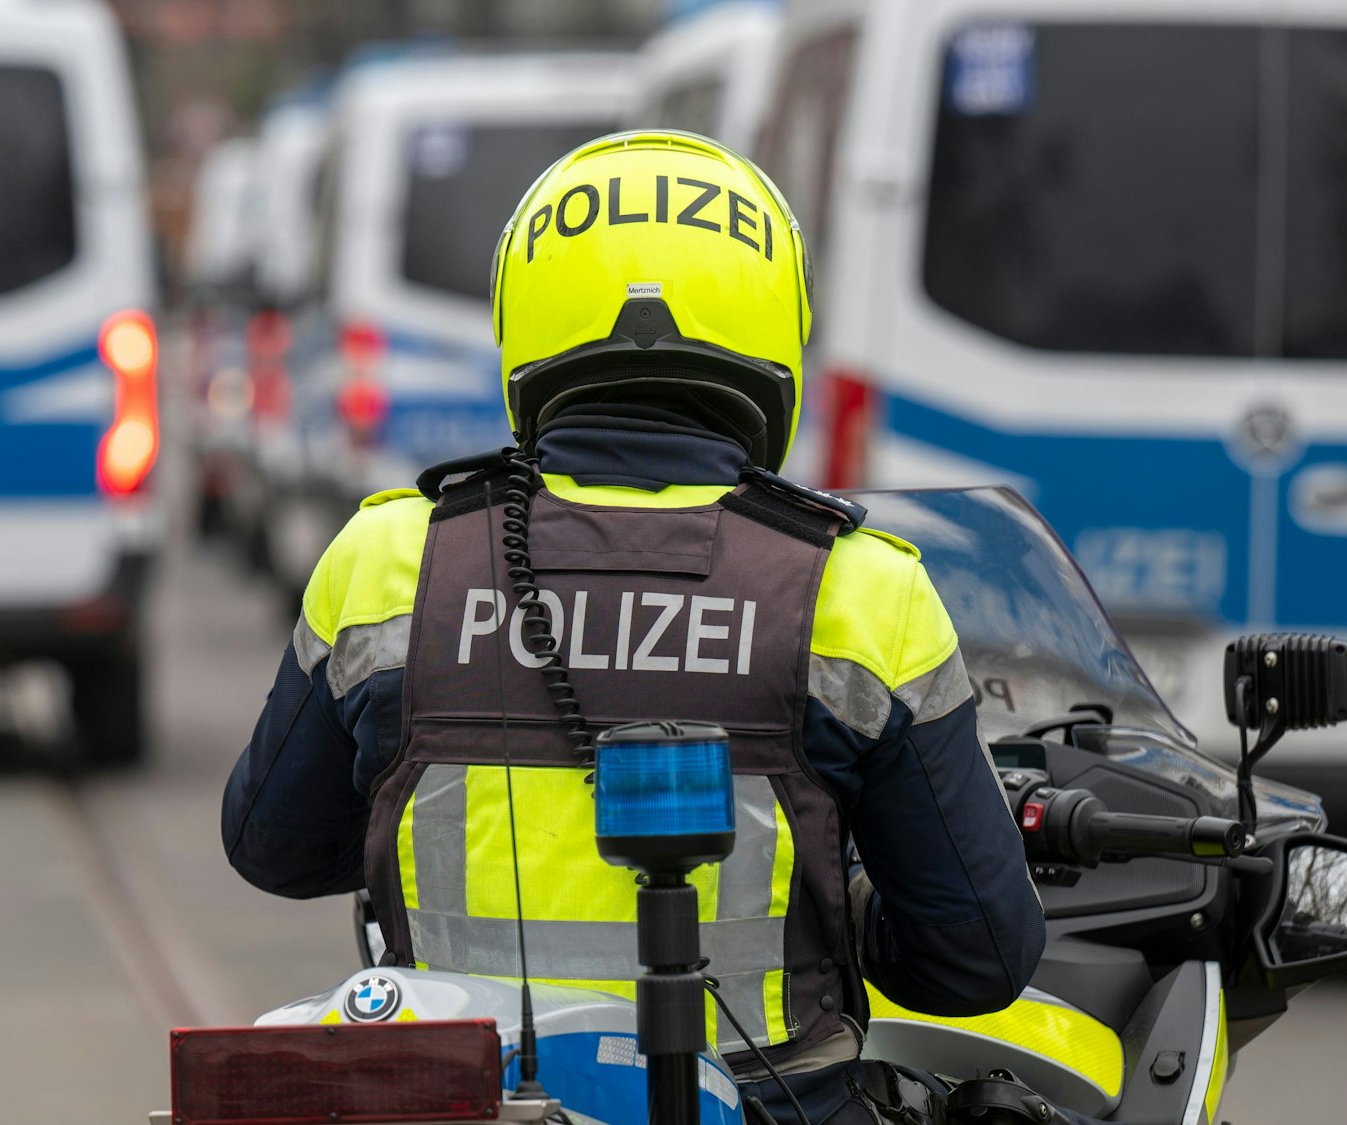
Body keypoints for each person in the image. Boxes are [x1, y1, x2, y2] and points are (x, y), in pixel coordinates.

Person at [223, 131, 1045, 1124]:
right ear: (774, 325)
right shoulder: (859, 591)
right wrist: (846, 896)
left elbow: (273, 848)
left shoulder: (390, 563)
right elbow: (976, 960)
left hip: (469, 1105)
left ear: (522, 322)